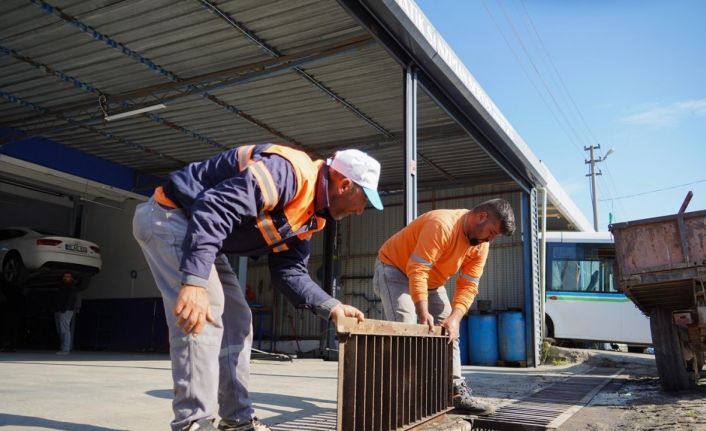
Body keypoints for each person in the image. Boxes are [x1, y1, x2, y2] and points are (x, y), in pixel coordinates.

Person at [132, 143, 383, 431]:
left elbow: (289, 271)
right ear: (345, 184)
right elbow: (215, 206)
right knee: (206, 312)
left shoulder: (310, 215)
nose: (362, 211)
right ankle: (193, 422)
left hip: (201, 233)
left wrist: (333, 307)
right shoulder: (289, 172)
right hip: (170, 217)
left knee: (238, 319)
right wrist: (194, 281)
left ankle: (236, 419)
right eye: (364, 199)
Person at [373, 199, 516, 416]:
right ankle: (400, 398)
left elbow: (469, 285)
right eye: (492, 232)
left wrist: (455, 318)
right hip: (395, 269)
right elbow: (418, 268)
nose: (491, 239)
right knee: (405, 326)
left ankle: (455, 392)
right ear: (481, 217)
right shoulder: (442, 225)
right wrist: (422, 311)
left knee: (450, 330)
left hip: (431, 281)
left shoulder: (480, 245)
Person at [54, 271, 79, 355]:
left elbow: (71, 300)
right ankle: (63, 347)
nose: (67, 277)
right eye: (65, 276)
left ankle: (66, 349)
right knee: (60, 330)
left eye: (68, 276)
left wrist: (64, 309)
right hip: (59, 310)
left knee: (65, 329)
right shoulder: (61, 286)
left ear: (71, 278)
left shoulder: (72, 287)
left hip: (66, 311)